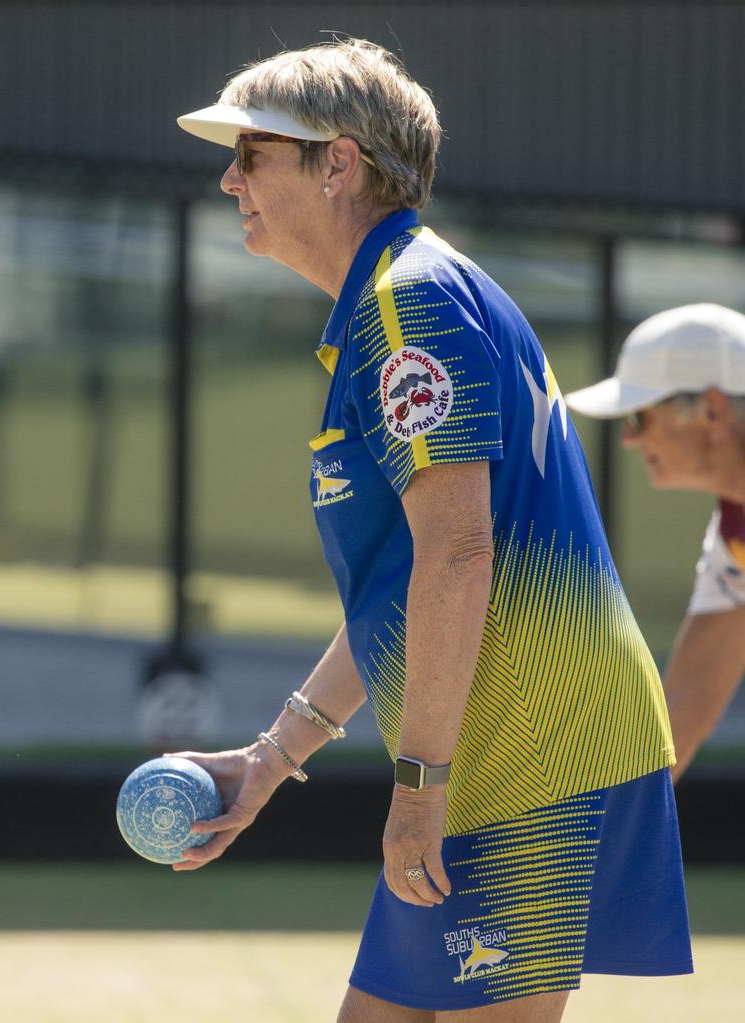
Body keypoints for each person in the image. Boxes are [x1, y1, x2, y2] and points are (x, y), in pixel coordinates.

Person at [174, 39, 691, 1022]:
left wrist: (418, 787)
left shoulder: (407, 301)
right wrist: (268, 762)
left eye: (251, 152)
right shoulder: (397, 298)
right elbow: (405, 583)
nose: (228, 177)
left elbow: (457, 554)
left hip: (533, 747)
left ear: (339, 164)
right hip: (491, 750)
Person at [565, 303, 745, 779]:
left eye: (640, 416)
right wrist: (597, 841)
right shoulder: (736, 531)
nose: (628, 439)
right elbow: (687, 703)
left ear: (712, 408)